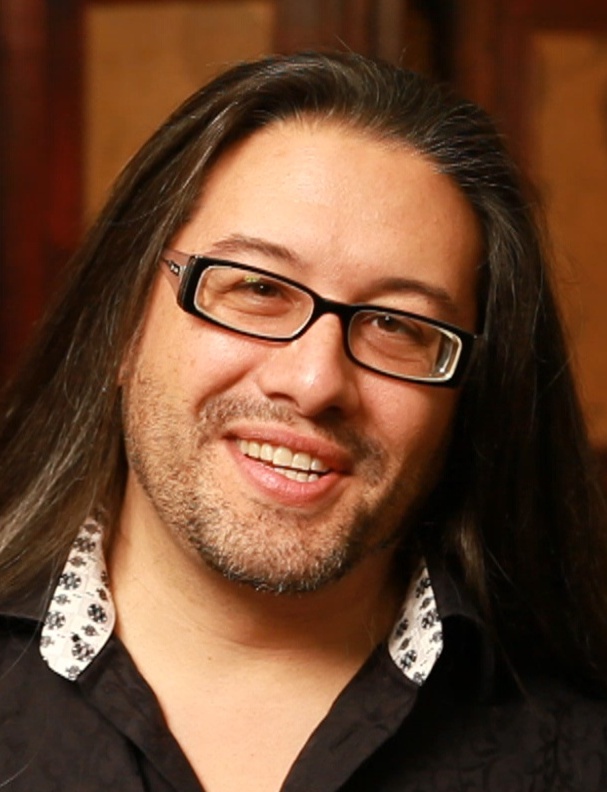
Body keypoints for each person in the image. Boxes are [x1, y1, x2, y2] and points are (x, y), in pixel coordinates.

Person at [1, 50, 606, 792]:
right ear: (124, 323)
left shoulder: (579, 754)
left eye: (396, 325)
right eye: (258, 288)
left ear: (468, 397)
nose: (315, 382)